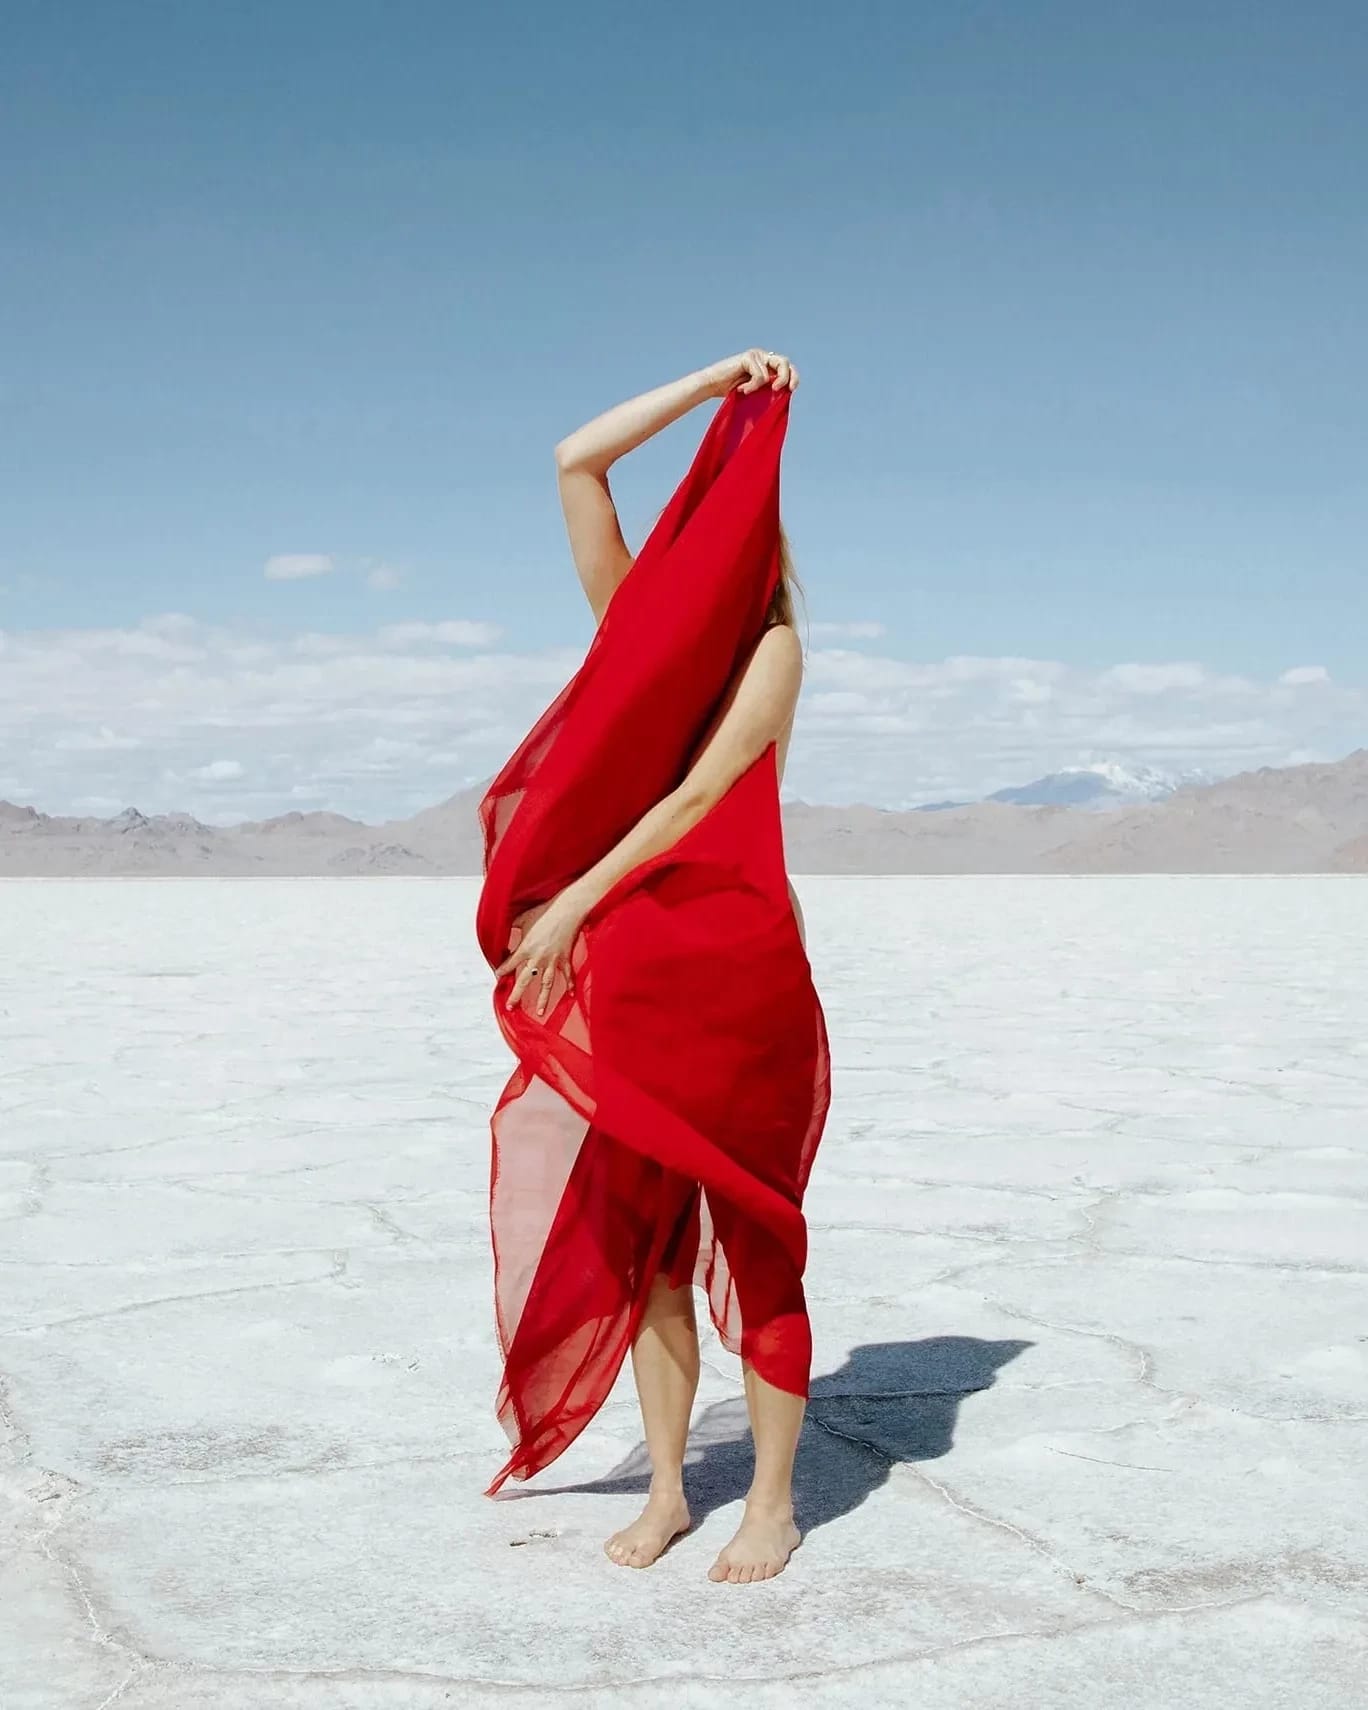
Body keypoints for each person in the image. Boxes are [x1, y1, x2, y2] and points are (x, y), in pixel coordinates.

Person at [477, 350, 830, 1585]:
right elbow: (577, 458)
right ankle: (674, 1491)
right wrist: (710, 386)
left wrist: (571, 901)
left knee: (754, 1233)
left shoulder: (772, 654)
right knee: (654, 1255)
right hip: (636, 983)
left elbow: (690, 803)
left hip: (735, 983)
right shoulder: (641, 631)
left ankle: (771, 1504)